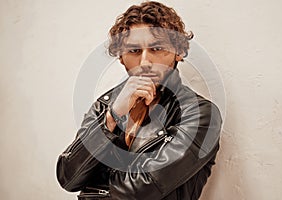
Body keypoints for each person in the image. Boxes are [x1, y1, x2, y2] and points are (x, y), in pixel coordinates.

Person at [56, 1, 222, 200]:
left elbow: (140, 191)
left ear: (179, 52)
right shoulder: (106, 105)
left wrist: (92, 184)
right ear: (121, 57)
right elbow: (68, 177)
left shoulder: (200, 113)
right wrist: (112, 117)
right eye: (134, 51)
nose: (145, 62)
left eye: (157, 48)